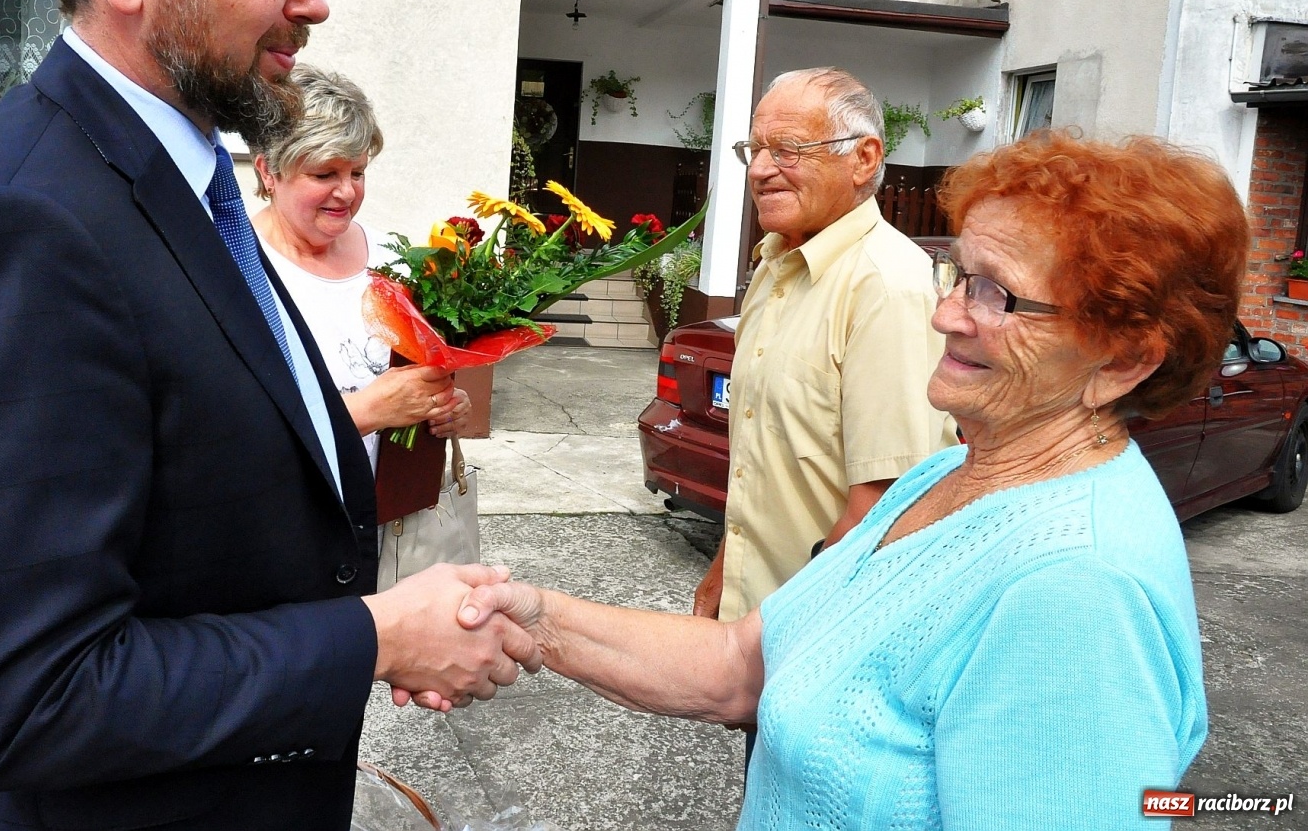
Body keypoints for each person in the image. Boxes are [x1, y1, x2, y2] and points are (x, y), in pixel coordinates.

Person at [0, 0, 536, 830]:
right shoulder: (15, 226)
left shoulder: (187, 187)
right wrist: (373, 636)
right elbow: (29, 697)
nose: (315, 1)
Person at [453, 131, 1238, 830]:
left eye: (995, 293)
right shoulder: (946, 474)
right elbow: (740, 663)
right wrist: (534, 619)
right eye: (958, 275)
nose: (945, 314)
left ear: (1124, 359)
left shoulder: (1076, 593)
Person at [695, 67, 958, 625]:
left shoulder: (887, 286)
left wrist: (775, 635)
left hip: (818, 629)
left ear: (863, 159)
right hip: (759, 619)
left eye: (787, 150)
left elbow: (885, 507)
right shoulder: (775, 267)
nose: (760, 170)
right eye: (755, 150)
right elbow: (765, 471)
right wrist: (726, 572)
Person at [251, 64, 479, 588]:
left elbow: (419, 373)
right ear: (269, 172)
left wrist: (446, 408)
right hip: (289, 533)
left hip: (396, 527)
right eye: (324, 174)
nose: (346, 193)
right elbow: (225, 433)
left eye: (357, 172)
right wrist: (369, 411)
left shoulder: (393, 259)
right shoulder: (232, 267)